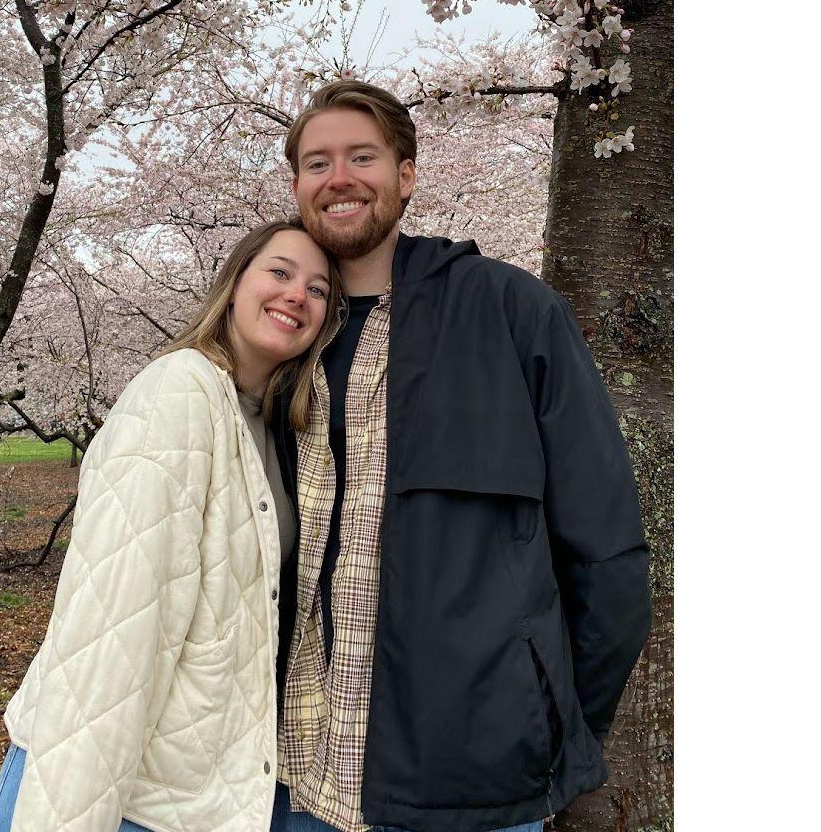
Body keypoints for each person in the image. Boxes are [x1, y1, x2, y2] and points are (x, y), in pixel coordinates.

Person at [272, 81, 652, 832]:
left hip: (468, 785)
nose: (338, 177)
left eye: (361, 156)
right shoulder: (280, 337)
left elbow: (607, 553)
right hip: (290, 773)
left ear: (405, 174)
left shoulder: (512, 311)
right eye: (317, 162)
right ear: (297, 185)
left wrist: (544, 725)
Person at [0, 219, 344, 832]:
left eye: (317, 290)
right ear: (234, 284)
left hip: (186, 788)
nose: (295, 295)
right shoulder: (178, 394)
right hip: (120, 790)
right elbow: (114, 622)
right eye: (279, 272)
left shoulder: (268, 424)